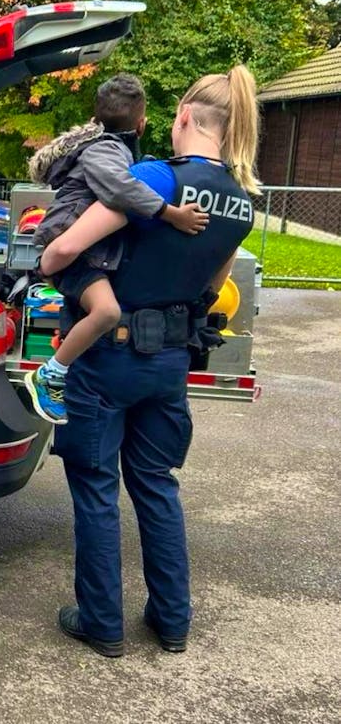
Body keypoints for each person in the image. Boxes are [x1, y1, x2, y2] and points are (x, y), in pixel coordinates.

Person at [39, 65, 261, 658]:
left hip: (107, 361)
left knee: (95, 488)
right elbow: (213, 288)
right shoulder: (242, 203)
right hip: (170, 364)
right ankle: (172, 622)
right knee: (157, 486)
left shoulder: (153, 177)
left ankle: (101, 623)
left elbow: (67, 246)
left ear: (184, 116)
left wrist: (52, 267)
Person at [25, 74, 208, 425]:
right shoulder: (106, 149)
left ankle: (62, 367)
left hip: (88, 251)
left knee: (104, 312)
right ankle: (50, 374)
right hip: (72, 246)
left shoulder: (112, 149)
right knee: (107, 312)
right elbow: (120, 189)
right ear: (141, 124)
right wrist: (172, 215)